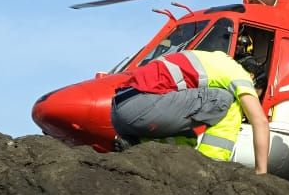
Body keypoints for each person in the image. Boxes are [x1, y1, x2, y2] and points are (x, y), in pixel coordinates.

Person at [111, 48, 270, 174]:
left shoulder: (212, 60)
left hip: (119, 111)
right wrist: (261, 173)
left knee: (188, 139)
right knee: (228, 101)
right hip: (142, 107)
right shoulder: (238, 74)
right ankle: (212, 166)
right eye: (255, 94)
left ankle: (138, 145)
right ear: (252, 76)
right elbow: (260, 121)